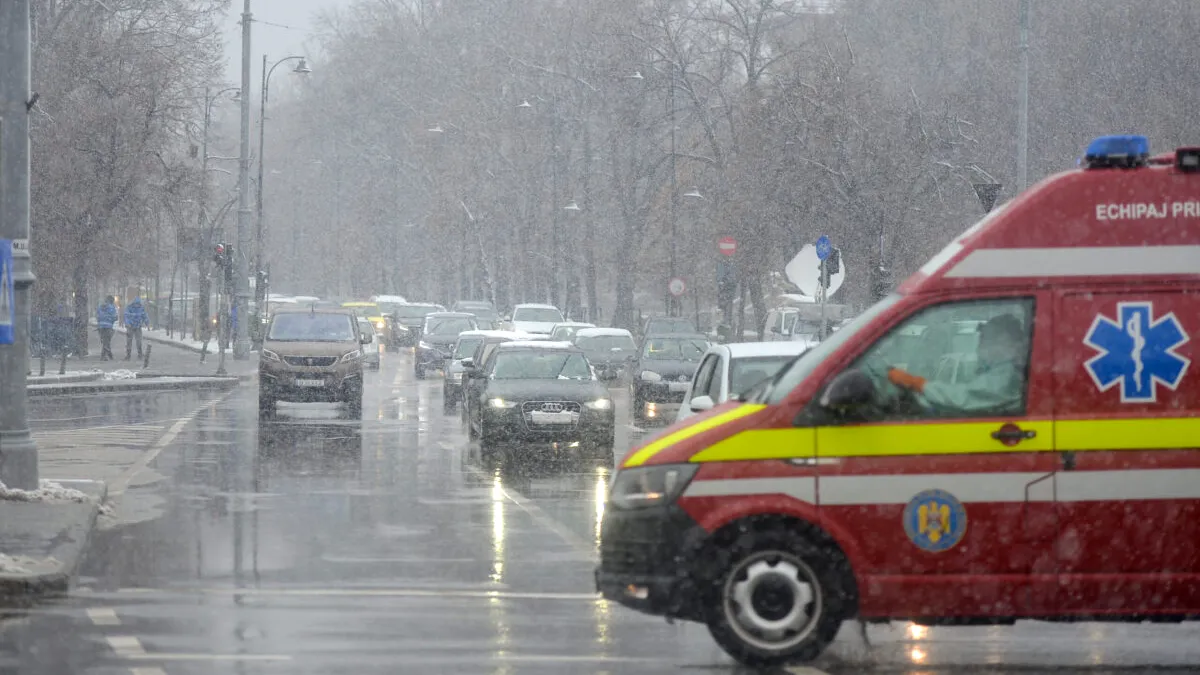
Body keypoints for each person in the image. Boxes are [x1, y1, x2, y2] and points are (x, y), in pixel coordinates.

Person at [887, 314, 1027, 415]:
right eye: (982, 340)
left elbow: (966, 397)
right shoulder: (998, 369)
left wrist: (919, 384)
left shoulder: (1008, 376)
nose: (982, 346)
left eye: (988, 340)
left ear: (1011, 344)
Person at [96, 296, 118, 361]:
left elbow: (97, 316)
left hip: (100, 326)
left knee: (105, 341)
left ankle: (109, 355)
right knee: (106, 341)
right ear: (111, 301)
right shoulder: (112, 308)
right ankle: (103, 356)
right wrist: (112, 320)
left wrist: (100, 321)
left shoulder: (100, 307)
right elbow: (115, 317)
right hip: (108, 326)